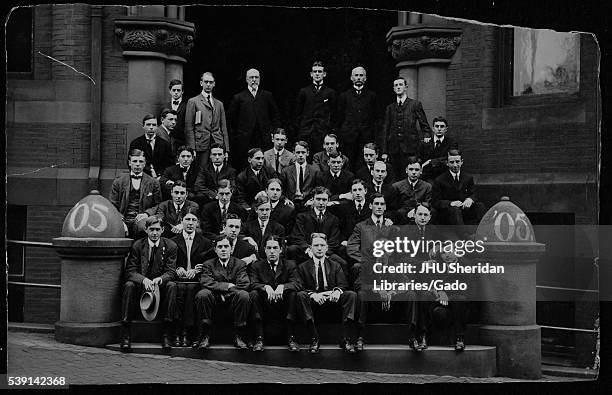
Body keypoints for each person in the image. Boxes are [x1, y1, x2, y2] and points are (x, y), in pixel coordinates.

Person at [346, 193, 405, 351]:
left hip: (388, 268)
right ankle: (358, 336)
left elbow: (398, 250)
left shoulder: (392, 227)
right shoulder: (361, 226)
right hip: (367, 267)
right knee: (360, 281)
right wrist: (367, 262)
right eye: (376, 204)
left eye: (382, 204)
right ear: (370, 206)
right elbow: (351, 248)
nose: (379, 207)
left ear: (385, 207)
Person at [120, 216, 177, 351]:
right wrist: (143, 280)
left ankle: (166, 334)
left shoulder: (170, 246)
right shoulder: (138, 245)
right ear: (146, 230)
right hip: (141, 287)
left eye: (158, 229)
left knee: (172, 286)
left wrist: (160, 279)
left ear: (162, 230)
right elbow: (130, 271)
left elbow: (171, 272)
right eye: (151, 229)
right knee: (129, 285)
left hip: (160, 287)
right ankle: (126, 333)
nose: (155, 233)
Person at [295, 233, 358, 354]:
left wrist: (337, 291)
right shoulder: (302, 267)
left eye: (322, 245)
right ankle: (314, 338)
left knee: (351, 295)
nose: (319, 248)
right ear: (310, 248)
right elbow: (300, 286)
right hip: (314, 303)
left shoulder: (335, 265)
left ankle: (345, 338)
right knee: (300, 296)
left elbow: (343, 284)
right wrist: (313, 295)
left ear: (326, 248)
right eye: (316, 245)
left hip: (333, 303)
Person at [194, 235, 251, 350]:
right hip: (214, 301)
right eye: (220, 247)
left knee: (244, 295)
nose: (223, 249)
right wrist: (228, 286)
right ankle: (205, 335)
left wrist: (225, 293)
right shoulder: (208, 264)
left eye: (226, 246)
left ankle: (239, 335)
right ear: (215, 249)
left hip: (232, 302)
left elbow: (244, 284)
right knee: (203, 294)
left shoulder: (239, 264)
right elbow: (206, 282)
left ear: (231, 249)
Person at [248, 235, 300, 352]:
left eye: (275, 248)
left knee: (293, 294)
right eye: (269, 248)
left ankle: (291, 338)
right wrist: (265, 287)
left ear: (281, 249)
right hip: (264, 304)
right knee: (253, 294)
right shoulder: (257, 266)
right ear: (264, 249)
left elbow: (297, 283)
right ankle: (259, 338)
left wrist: (283, 286)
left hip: (284, 304)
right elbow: (252, 283)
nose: (272, 251)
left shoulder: (290, 264)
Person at [170, 210, 214, 347]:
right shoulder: (173, 242)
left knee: (190, 290)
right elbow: (170, 262)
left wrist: (196, 270)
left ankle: (186, 332)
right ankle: (177, 331)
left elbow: (208, 262)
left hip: (196, 279)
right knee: (179, 289)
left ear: (198, 223)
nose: (190, 223)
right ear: (181, 221)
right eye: (187, 219)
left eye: (193, 220)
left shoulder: (205, 242)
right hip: (178, 278)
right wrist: (178, 269)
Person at [228, 68, 280, 169]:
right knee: (244, 164)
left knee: (264, 164)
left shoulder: (267, 96)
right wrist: (237, 136)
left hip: (263, 138)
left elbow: (275, 116)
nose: (254, 80)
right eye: (251, 77)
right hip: (244, 140)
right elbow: (231, 119)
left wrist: (273, 132)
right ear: (247, 79)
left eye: (256, 77)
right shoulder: (239, 97)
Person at [381, 77, 432, 173]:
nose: (398, 87)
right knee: (395, 174)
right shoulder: (390, 108)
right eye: (396, 85)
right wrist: (384, 151)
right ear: (393, 89)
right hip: (394, 148)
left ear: (406, 87)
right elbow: (385, 130)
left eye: (401, 85)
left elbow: (424, 125)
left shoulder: (415, 104)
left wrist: (426, 136)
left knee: (409, 173)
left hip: (410, 147)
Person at [432, 148, 486, 235]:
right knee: (455, 210)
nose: (455, 165)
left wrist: (470, 199)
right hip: (448, 213)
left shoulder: (468, 178)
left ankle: (485, 233)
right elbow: (435, 202)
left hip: (464, 210)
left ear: (462, 162)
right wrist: (450, 203)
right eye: (452, 162)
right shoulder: (439, 180)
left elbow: (474, 194)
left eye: (457, 161)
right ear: (447, 163)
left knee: (480, 206)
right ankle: (465, 238)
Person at [109, 149, 162, 238]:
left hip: (142, 218)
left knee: (143, 228)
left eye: (141, 161)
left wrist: (146, 214)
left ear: (144, 164)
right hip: (123, 218)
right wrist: (120, 220)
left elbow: (158, 204)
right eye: (134, 161)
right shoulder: (119, 182)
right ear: (130, 163)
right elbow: (112, 205)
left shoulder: (153, 182)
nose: (137, 164)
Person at [336, 66, 380, 168]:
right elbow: (339, 118)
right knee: (349, 164)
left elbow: (377, 118)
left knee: (365, 165)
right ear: (352, 78)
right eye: (356, 75)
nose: (359, 78)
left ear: (365, 78)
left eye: (361, 75)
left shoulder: (372, 96)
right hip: (349, 138)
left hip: (366, 137)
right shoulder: (344, 96)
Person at [185, 72, 230, 168]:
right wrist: (192, 148)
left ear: (214, 84)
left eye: (211, 82)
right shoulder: (193, 101)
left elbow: (224, 128)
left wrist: (226, 149)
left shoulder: (219, 104)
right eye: (206, 82)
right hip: (201, 143)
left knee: (217, 169)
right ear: (201, 83)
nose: (208, 84)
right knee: (202, 169)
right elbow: (189, 127)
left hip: (217, 142)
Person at [287, 186, 341, 262]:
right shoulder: (302, 217)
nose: (321, 203)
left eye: (324, 200)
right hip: (306, 252)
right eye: (318, 199)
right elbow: (297, 237)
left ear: (328, 200)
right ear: (312, 199)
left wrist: (323, 252)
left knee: (342, 263)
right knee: (292, 249)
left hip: (325, 253)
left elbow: (334, 241)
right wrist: (308, 250)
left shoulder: (333, 219)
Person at [294, 60, 336, 152]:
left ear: (324, 74)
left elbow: (334, 113)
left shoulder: (330, 92)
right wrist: (302, 128)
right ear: (311, 74)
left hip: (322, 132)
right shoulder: (304, 91)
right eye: (315, 72)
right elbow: (298, 113)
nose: (317, 74)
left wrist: (328, 128)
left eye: (320, 71)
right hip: (306, 132)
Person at [128, 114, 174, 178]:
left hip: (161, 177)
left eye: (154, 125)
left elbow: (169, 164)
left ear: (157, 126)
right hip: (142, 177)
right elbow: (132, 163)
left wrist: (160, 176)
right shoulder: (136, 143)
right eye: (148, 124)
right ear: (143, 126)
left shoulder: (165, 144)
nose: (151, 127)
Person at [391, 156, 433, 225]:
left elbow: (428, 204)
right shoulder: (397, 186)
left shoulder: (427, 186)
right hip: (403, 217)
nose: (414, 172)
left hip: (422, 216)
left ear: (421, 171)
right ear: (406, 170)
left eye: (416, 170)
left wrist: (416, 211)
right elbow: (394, 207)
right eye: (411, 169)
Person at [280, 141, 319, 212]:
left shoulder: (314, 171)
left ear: (307, 153)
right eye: (298, 152)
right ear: (294, 153)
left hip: (307, 201)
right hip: (291, 201)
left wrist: (312, 200)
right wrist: (285, 199)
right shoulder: (286, 171)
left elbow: (317, 189)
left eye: (303, 152)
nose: (300, 155)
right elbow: (281, 189)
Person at [419, 116, 458, 183]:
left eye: (442, 126)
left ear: (446, 129)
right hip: (428, 177)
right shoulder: (425, 143)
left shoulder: (451, 143)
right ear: (433, 128)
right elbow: (419, 158)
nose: (439, 129)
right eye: (437, 126)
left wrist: (431, 161)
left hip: (445, 177)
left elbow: (449, 159)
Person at [162, 79, 187, 150]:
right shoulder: (164, 107)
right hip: (166, 141)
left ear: (182, 92)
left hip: (182, 141)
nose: (176, 92)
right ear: (170, 91)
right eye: (174, 90)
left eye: (178, 90)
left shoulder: (187, 106)